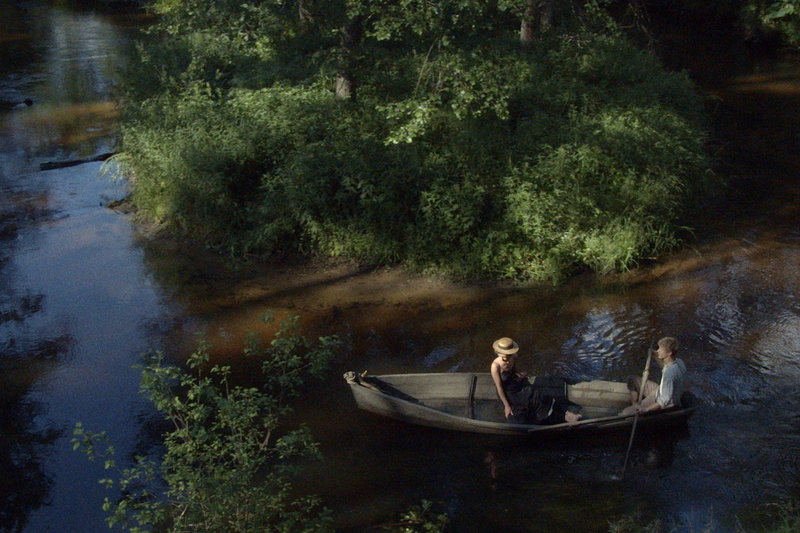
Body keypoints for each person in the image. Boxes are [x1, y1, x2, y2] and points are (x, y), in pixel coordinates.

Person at [490, 337, 582, 424]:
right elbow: (499, 387)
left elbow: (513, 372)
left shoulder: (512, 358)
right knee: (530, 399)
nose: (507, 359)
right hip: (508, 392)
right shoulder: (495, 366)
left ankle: (566, 414)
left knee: (539, 395)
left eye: (508, 355)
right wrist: (506, 406)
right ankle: (561, 417)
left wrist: (520, 376)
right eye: (504, 355)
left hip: (515, 384)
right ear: (498, 353)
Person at [620, 336, 687, 416]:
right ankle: (635, 404)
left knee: (625, 414)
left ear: (669, 353)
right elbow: (665, 367)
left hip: (665, 401)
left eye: (660, 349)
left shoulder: (669, 374)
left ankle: (637, 408)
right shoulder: (679, 362)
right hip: (659, 391)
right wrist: (655, 355)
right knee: (632, 379)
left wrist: (646, 409)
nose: (658, 351)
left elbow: (665, 400)